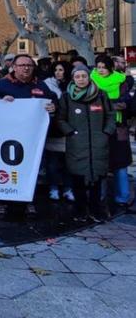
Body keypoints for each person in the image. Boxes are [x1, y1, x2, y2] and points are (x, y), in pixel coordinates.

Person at [0, 54, 58, 217]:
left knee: (31, 172)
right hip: (6, 138)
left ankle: (28, 201)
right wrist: (0, 100)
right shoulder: (2, 84)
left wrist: (54, 107)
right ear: (14, 67)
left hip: (31, 140)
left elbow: (53, 100)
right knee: (4, 171)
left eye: (29, 65)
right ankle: (2, 201)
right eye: (22, 65)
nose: (26, 68)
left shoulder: (40, 85)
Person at [57, 64, 116, 221]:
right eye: (77, 76)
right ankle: (80, 210)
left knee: (97, 179)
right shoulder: (66, 97)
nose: (81, 79)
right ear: (73, 79)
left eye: (84, 76)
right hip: (77, 144)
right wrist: (70, 132)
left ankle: (96, 210)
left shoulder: (101, 95)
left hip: (98, 144)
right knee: (78, 180)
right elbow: (60, 119)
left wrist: (106, 132)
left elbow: (111, 115)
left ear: (89, 77)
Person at [90, 55, 132, 206]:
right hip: (97, 126)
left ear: (111, 68)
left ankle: (123, 197)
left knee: (121, 162)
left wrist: (114, 105)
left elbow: (127, 101)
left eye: (104, 67)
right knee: (100, 162)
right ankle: (100, 197)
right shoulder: (90, 80)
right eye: (98, 67)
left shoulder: (121, 81)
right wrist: (112, 105)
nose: (101, 70)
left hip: (118, 126)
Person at [43, 61, 74, 202]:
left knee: (69, 163)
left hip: (70, 129)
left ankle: (68, 189)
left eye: (61, 69)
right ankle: (53, 188)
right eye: (56, 69)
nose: (58, 72)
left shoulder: (73, 85)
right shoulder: (47, 85)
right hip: (54, 129)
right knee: (53, 163)